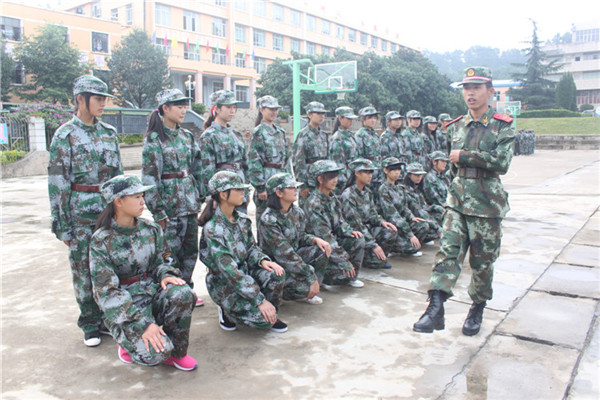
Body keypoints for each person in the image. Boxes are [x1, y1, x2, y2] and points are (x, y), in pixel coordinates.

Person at [413, 66, 515, 336]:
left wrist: (466, 156)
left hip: (486, 204)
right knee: (447, 252)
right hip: (457, 200)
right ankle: (435, 307)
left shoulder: (502, 125)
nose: (470, 93)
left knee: (482, 262)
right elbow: (453, 168)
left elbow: (502, 163)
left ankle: (477, 307)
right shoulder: (455, 126)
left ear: (490, 92)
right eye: (466, 88)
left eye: (476, 88)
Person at [90, 175, 197, 371]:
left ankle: (177, 352)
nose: (142, 202)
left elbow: (164, 260)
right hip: (126, 306)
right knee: (155, 354)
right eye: (136, 197)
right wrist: (144, 324)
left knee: (183, 292)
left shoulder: (151, 229)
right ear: (118, 202)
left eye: (142, 196)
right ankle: (126, 342)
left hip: (151, 292)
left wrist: (166, 274)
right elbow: (108, 292)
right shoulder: (101, 241)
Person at [48, 75, 122, 347]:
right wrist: (62, 225)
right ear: (81, 99)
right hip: (79, 215)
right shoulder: (65, 135)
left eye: (104, 99)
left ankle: (107, 318)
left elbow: (118, 177)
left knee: (110, 267)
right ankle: (90, 324)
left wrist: (123, 211)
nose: (103, 104)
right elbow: (57, 183)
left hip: (107, 213)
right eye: (98, 99)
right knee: (83, 270)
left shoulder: (109, 133)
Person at [198, 171, 288, 333]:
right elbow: (230, 271)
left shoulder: (242, 220)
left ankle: (270, 312)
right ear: (223, 195)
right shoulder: (213, 229)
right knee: (262, 321)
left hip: (245, 273)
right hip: (224, 282)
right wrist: (259, 300)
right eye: (238, 190)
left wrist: (262, 260)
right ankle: (226, 310)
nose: (243, 193)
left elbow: (251, 248)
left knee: (276, 273)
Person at [141, 89, 204, 307]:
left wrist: (200, 194)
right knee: (170, 253)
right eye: (178, 106)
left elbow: (197, 166)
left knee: (190, 251)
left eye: (184, 106)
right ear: (165, 109)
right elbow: (150, 178)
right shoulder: (155, 139)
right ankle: (172, 295)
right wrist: (157, 210)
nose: (183, 110)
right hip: (169, 207)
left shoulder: (187, 136)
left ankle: (187, 290)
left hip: (190, 204)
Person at [258, 173, 330, 305]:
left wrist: (315, 239)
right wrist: (310, 276)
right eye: (291, 187)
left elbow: (301, 236)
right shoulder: (268, 220)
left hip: (294, 260)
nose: (296, 189)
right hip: (277, 266)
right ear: (279, 193)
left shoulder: (296, 212)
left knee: (321, 250)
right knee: (303, 287)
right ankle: (280, 293)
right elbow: (285, 254)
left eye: (295, 187)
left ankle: (311, 289)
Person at [302, 160, 366, 288]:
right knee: (327, 254)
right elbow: (325, 236)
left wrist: (349, 231)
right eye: (331, 177)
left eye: (336, 176)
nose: (335, 180)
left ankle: (351, 277)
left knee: (358, 239)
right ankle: (321, 280)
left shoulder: (333, 198)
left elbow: (340, 222)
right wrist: (344, 260)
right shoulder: (313, 204)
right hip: (318, 248)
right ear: (320, 179)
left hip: (332, 245)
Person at [340, 159, 398, 269]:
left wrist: (382, 222)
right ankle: (365, 258)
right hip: (354, 234)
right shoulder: (348, 195)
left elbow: (372, 213)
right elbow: (356, 225)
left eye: (371, 172)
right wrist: (374, 245)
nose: (370, 176)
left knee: (390, 230)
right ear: (357, 173)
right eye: (366, 172)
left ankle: (374, 257)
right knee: (362, 241)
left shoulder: (367, 192)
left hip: (366, 230)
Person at [377, 157, 439, 257]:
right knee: (412, 247)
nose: (397, 172)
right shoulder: (383, 190)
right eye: (393, 169)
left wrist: (411, 217)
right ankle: (392, 248)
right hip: (391, 225)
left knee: (423, 225)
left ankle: (406, 243)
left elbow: (405, 207)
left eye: (398, 169)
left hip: (401, 223)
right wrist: (410, 234)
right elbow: (392, 216)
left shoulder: (399, 188)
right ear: (386, 170)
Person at [199, 90, 248, 211]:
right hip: (223, 192)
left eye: (234, 107)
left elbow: (245, 164)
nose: (232, 111)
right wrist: (211, 197)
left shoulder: (236, 135)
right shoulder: (209, 136)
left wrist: (246, 190)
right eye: (228, 107)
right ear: (217, 109)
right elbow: (206, 170)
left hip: (239, 189)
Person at [248, 95, 292, 224]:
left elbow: (286, 160)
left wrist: (289, 181)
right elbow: (254, 160)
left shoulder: (280, 132)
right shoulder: (258, 132)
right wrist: (260, 187)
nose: (274, 112)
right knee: (265, 220)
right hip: (267, 182)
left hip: (282, 182)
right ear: (261, 110)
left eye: (276, 109)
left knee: (282, 218)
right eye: (270, 109)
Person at [293, 101, 329, 205]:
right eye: (318, 113)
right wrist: (303, 185)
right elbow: (298, 161)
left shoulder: (324, 135)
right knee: (308, 208)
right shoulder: (303, 135)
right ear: (309, 114)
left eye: (323, 113)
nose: (321, 116)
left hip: (323, 181)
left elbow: (328, 159)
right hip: (310, 182)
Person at [403, 162, 445, 227]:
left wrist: (437, 207)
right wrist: (435, 225)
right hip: (412, 219)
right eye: (416, 175)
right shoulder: (405, 190)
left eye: (421, 175)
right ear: (409, 175)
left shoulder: (418, 189)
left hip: (422, 215)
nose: (419, 177)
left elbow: (424, 207)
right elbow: (418, 210)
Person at [329, 106, 359, 194]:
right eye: (348, 119)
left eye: (352, 119)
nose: (351, 121)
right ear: (340, 119)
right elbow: (338, 165)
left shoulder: (350, 135)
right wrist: (346, 184)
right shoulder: (338, 138)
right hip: (345, 182)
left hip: (353, 178)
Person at [354, 106, 383, 191]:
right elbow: (358, 156)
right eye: (370, 118)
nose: (373, 120)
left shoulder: (375, 135)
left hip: (378, 172)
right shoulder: (360, 135)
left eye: (375, 118)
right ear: (363, 119)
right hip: (367, 172)